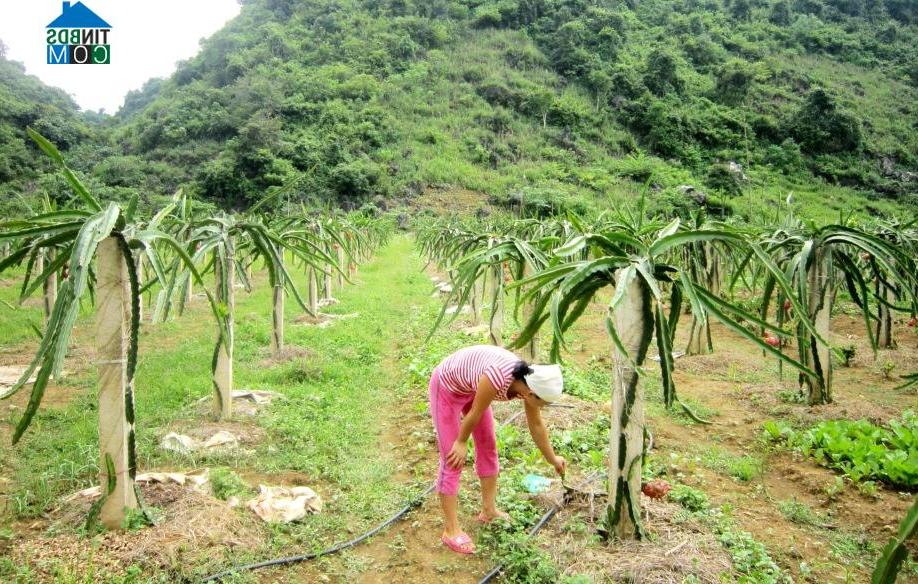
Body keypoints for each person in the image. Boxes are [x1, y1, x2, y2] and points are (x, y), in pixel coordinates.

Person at [428, 344, 566, 554]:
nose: (544, 407)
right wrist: (461, 442)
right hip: (447, 387)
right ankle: (451, 530)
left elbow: (536, 425)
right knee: (453, 459)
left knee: (488, 447)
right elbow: (474, 413)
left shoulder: (527, 385)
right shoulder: (498, 377)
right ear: (531, 394)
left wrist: (552, 458)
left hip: (473, 389)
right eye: (544, 403)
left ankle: (489, 511)